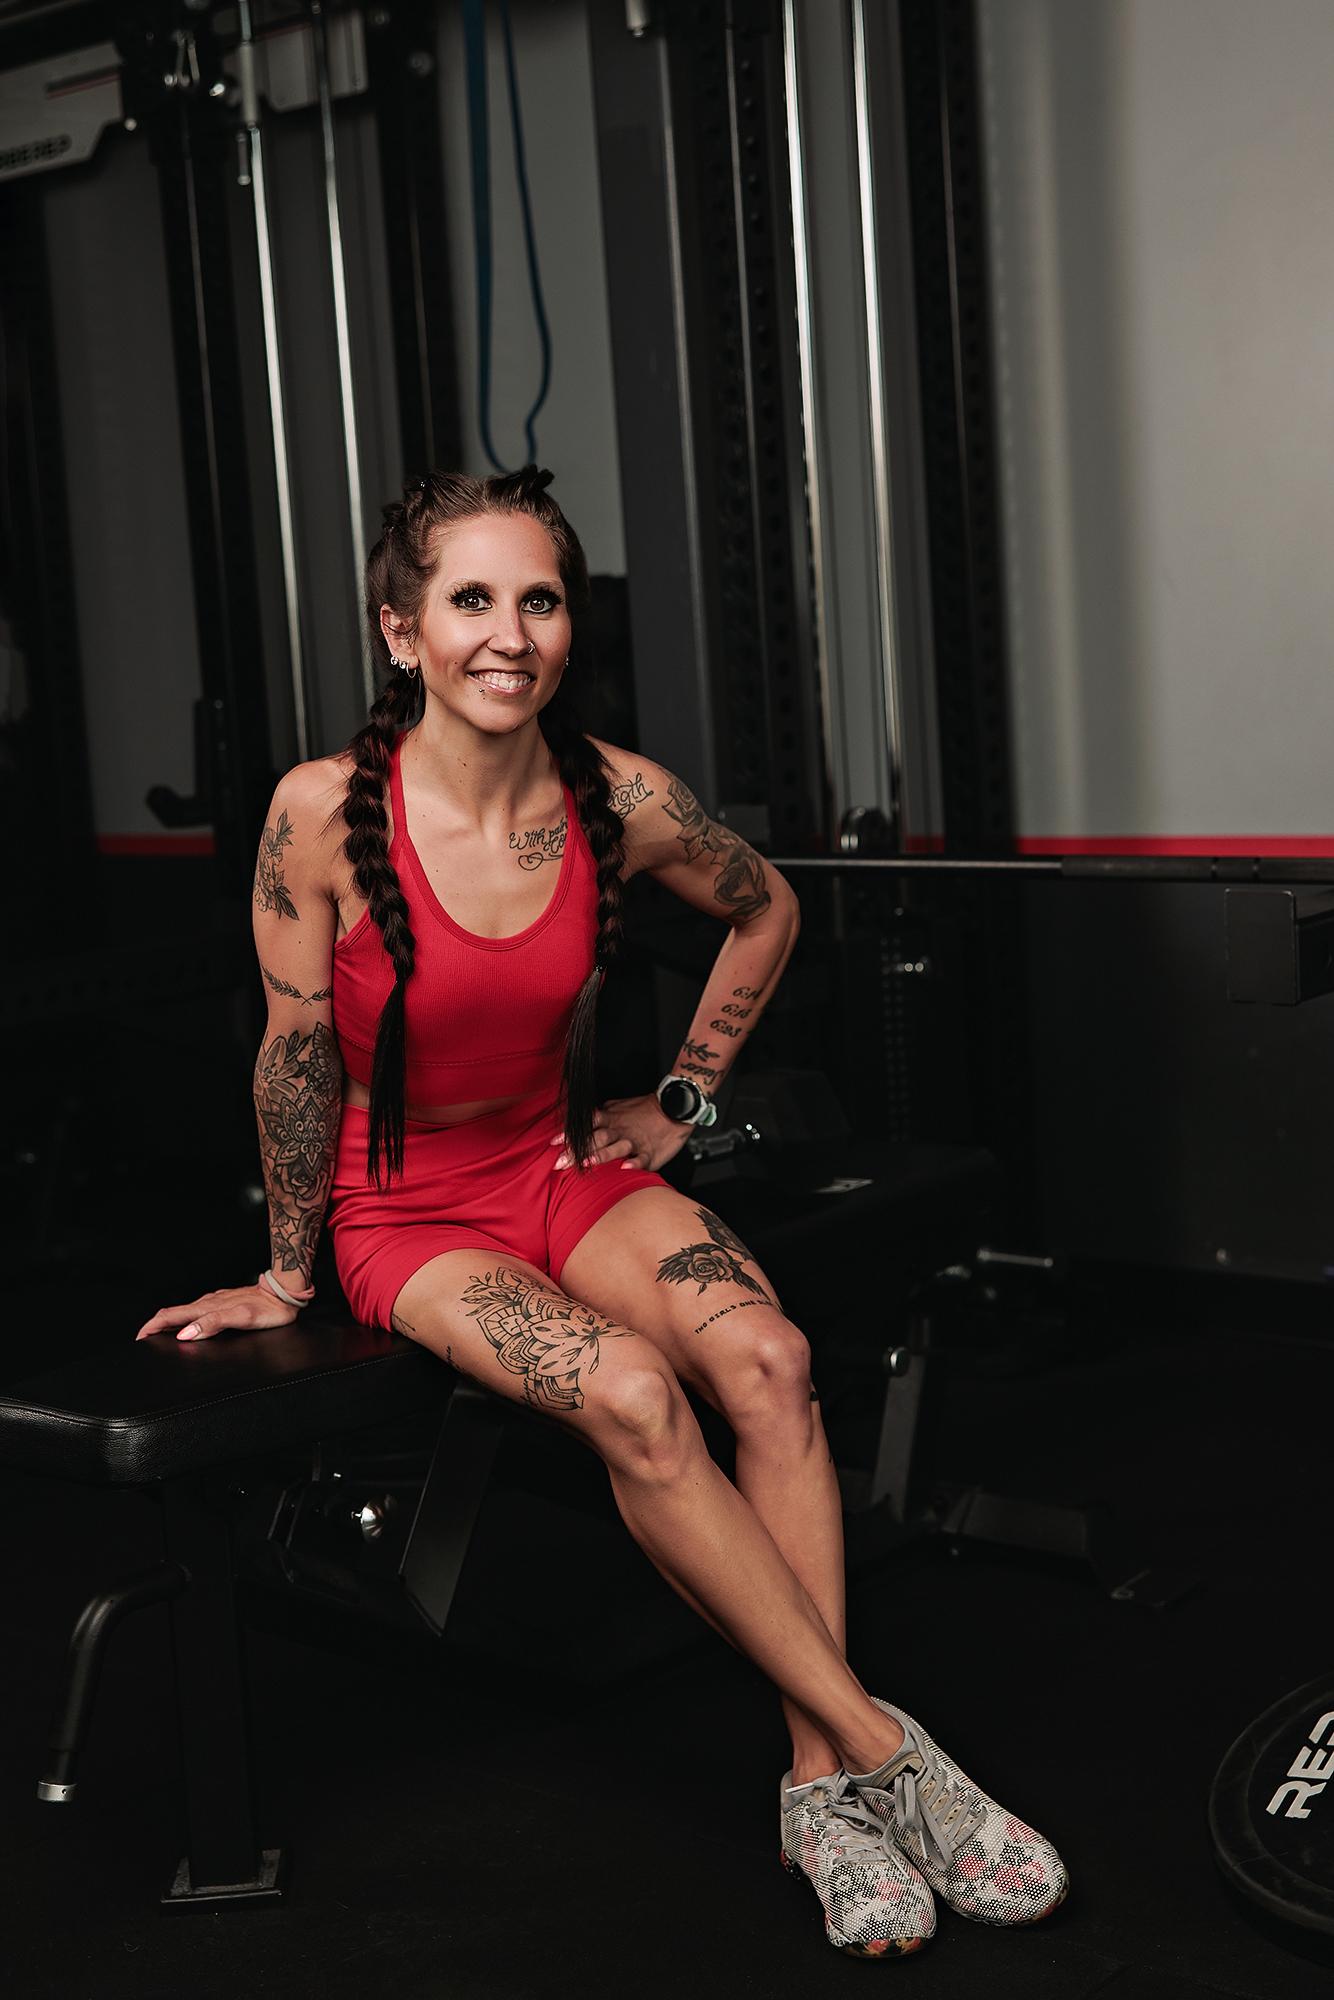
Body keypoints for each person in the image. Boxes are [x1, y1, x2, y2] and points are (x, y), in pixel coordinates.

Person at [137, 466, 1068, 1958]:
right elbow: (293, 1050)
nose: (508, 633)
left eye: (540, 598)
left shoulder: (616, 798)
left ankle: (817, 1787)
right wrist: (285, 1269)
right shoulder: (321, 813)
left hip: (561, 1172)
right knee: (635, 1395)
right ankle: (891, 1756)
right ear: (400, 631)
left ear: (568, 625)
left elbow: (765, 906)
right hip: (406, 1219)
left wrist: (685, 1101)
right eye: (469, 600)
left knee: (766, 1363)